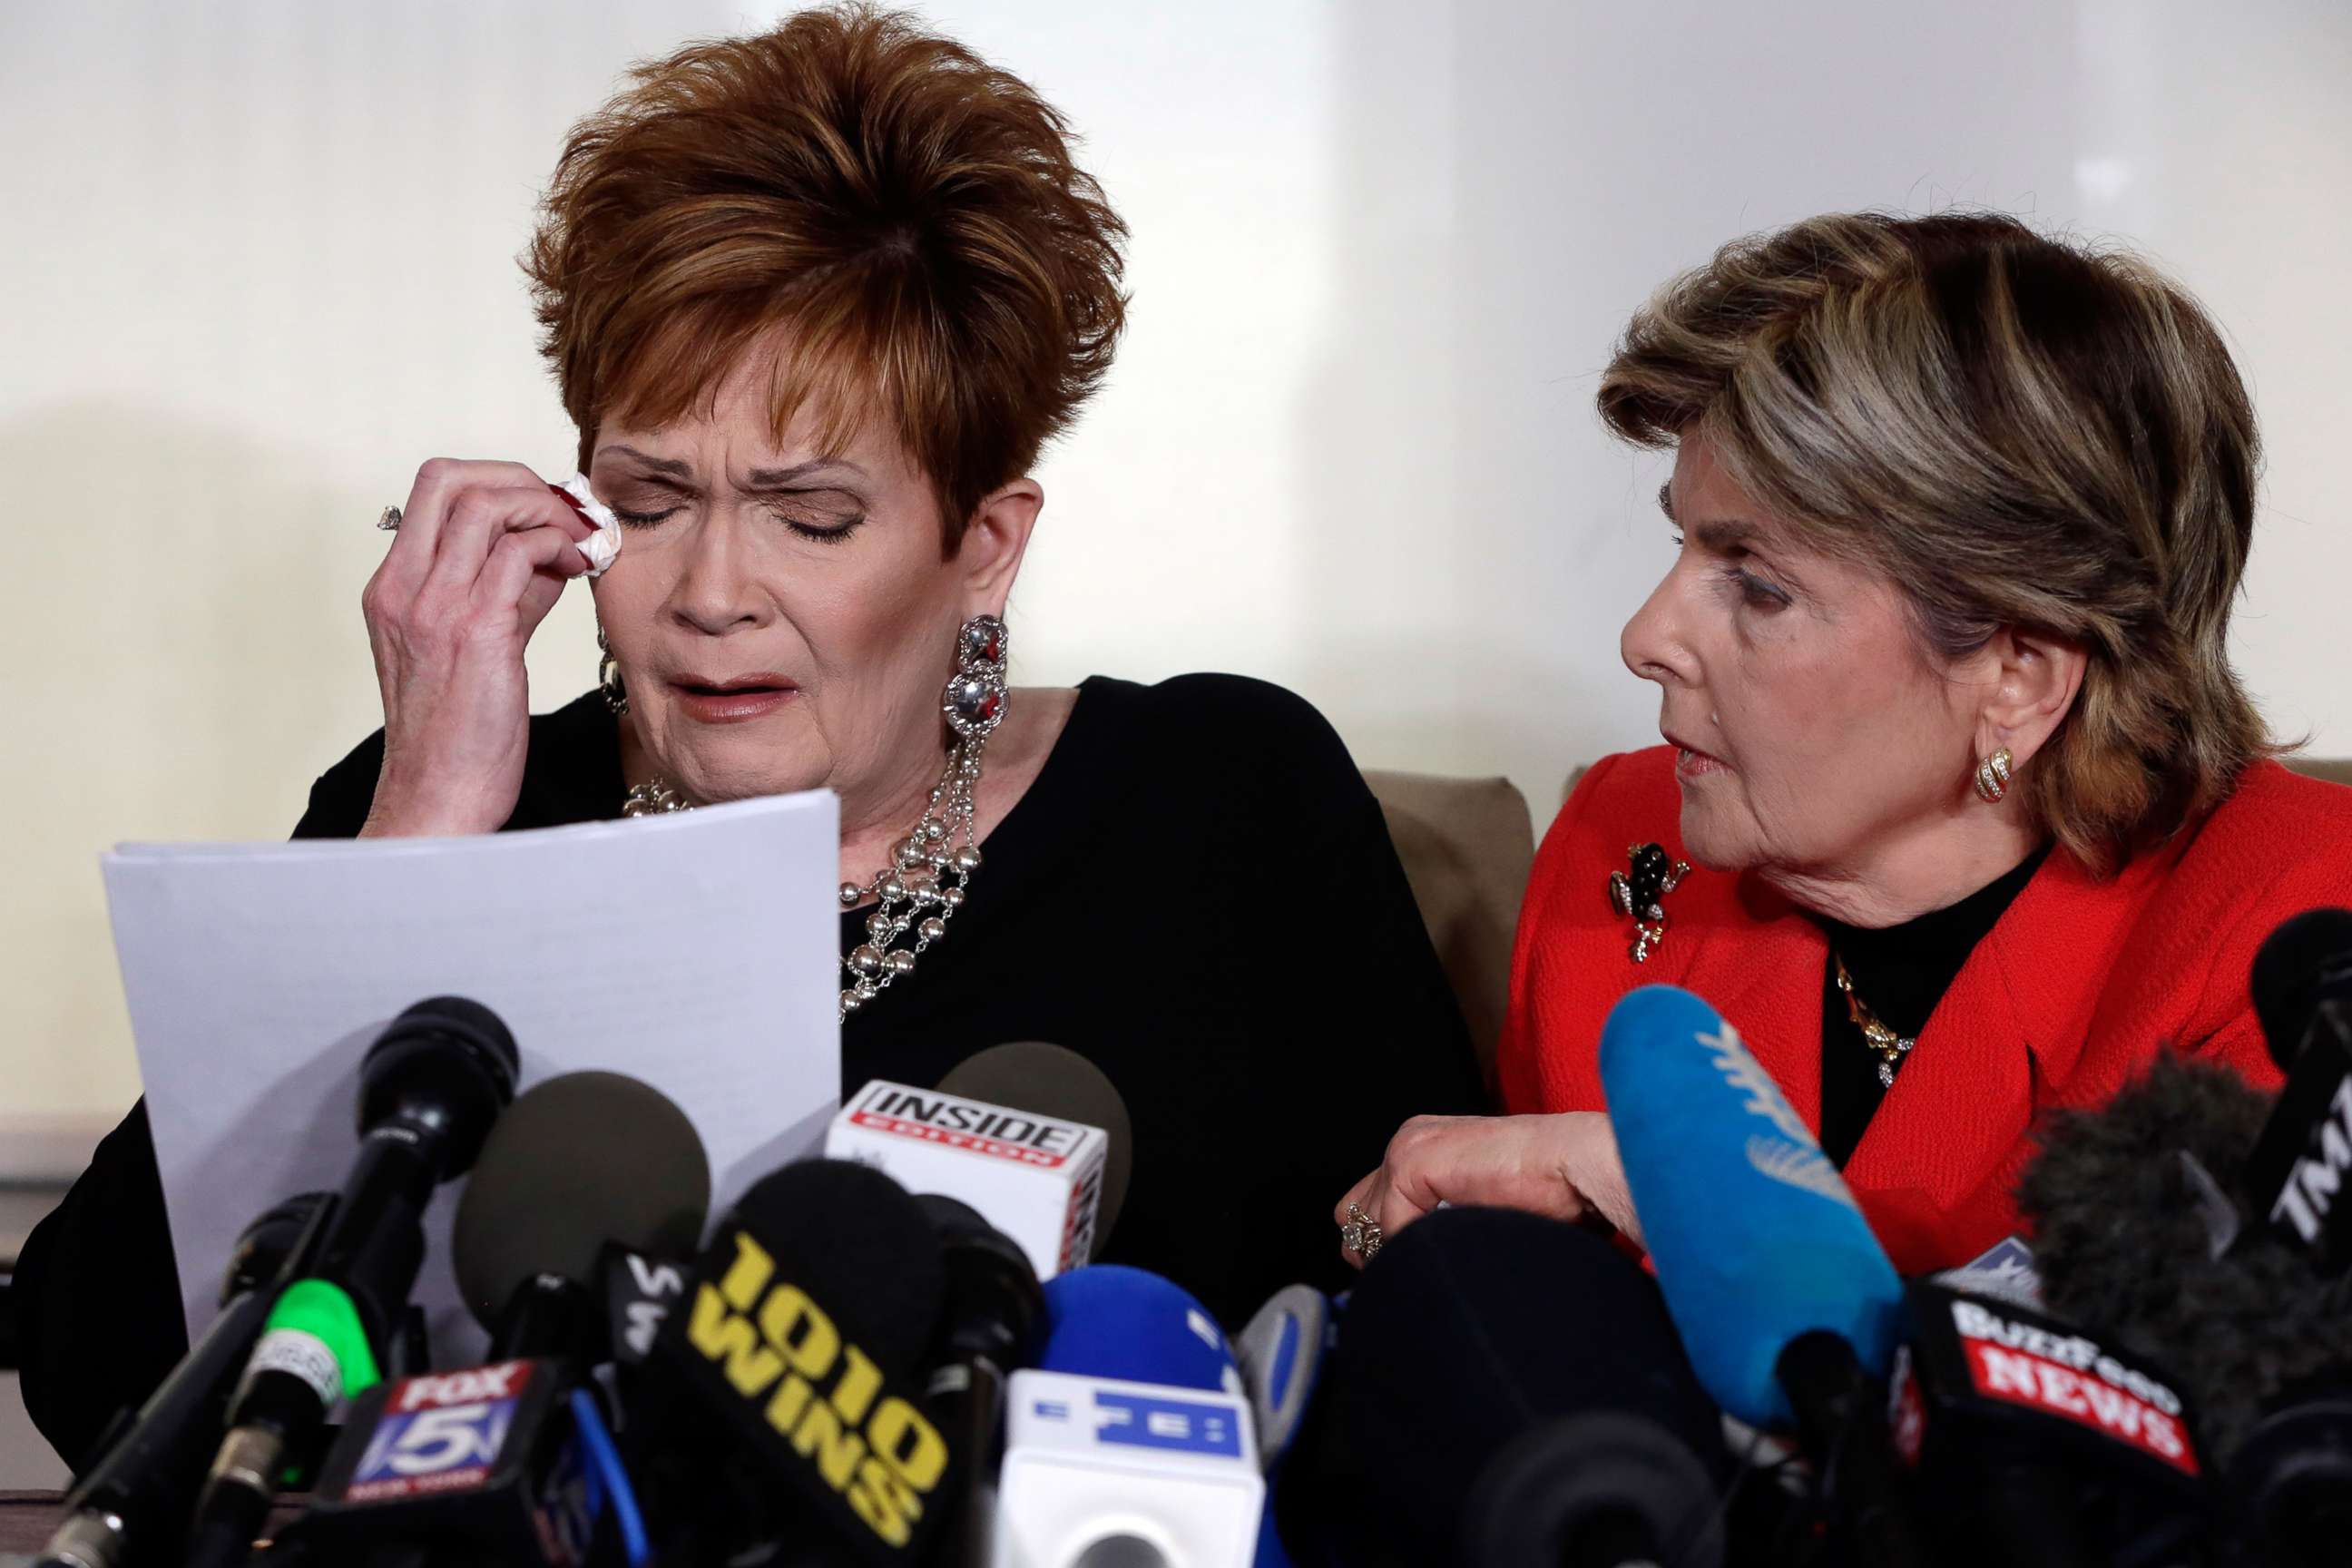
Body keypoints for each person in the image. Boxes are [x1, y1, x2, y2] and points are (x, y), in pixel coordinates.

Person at [16, 5, 1482, 1469]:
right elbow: (95, 1373)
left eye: (811, 517)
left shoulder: (1226, 804)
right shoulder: (447, 805)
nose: (711, 596)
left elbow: (1442, 1332)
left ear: (984, 541)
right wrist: (422, 837)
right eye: (648, 504)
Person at [1338, 211, 2352, 1277]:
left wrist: (1701, 1198)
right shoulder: (1624, 844)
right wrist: (1393, 1246)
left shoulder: (2298, 923)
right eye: (1680, 543)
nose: (1644, 639)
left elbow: (2202, 1370)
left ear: (2019, 675)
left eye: (1760, 586)